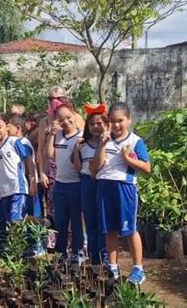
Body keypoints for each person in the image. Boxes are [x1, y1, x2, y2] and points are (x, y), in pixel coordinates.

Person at [95, 102, 151, 284]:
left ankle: (138, 269)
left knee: (130, 229)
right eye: (112, 121)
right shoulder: (104, 139)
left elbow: (147, 167)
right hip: (105, 186)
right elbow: (96, 167)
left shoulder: (135, 141)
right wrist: (102, 146)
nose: (116, 125)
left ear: (129, 120)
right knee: (110, 229)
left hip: (125, 188)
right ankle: (112, 267)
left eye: (120, 121)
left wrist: (127, 158)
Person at [37, 87, 84, 249]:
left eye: (60, 97)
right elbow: (43, 151)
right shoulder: (47, 124)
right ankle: (57, 247)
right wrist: (41, 172)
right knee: (57, 214)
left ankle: (77, 248)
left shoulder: (78, 124)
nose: (55, 100)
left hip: (75, 177)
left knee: (76, 216)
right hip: (55, 176)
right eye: (51, 98)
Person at [0, 113, 38, 223]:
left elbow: (28, 159)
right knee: (10, 221)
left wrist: (32, 180)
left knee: (15, 220)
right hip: (4, 190)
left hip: (17, 188)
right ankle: (38, 222)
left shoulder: (14, 142)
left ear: (7, 126)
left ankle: (36, 226)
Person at [45, 103, 84, 264]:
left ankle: (77, 252)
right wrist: (51, 135)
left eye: (68, 117)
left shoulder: (81, 137)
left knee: (76, 221)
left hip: (76, 184)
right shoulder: (58, 135)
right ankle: (61, 252)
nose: (66, 121)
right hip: (60, 184)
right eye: (61, 119)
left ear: (74, 114)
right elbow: (50, 155)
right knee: (60, 221)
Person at [73, 103, 108, 266]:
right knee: (90, 219)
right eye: (92, 124)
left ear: (106, 124)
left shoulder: (110, 143)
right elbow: (78, 168)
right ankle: (94, 255)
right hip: (86, 183)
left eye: (99, 123)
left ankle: (105, 255)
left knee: (104, 220)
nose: (95, 127)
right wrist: (76, 150)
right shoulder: (83, 145)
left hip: (104, 183)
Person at [8, 114, 42, 218]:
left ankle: (37, 234)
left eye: (9, 128)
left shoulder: (23, 143)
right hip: (23, 183)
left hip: (29, 183)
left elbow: (29, 163)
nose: (7, 131)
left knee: (32, 214)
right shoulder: (13, 142)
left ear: (18, 128)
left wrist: (31, 181)